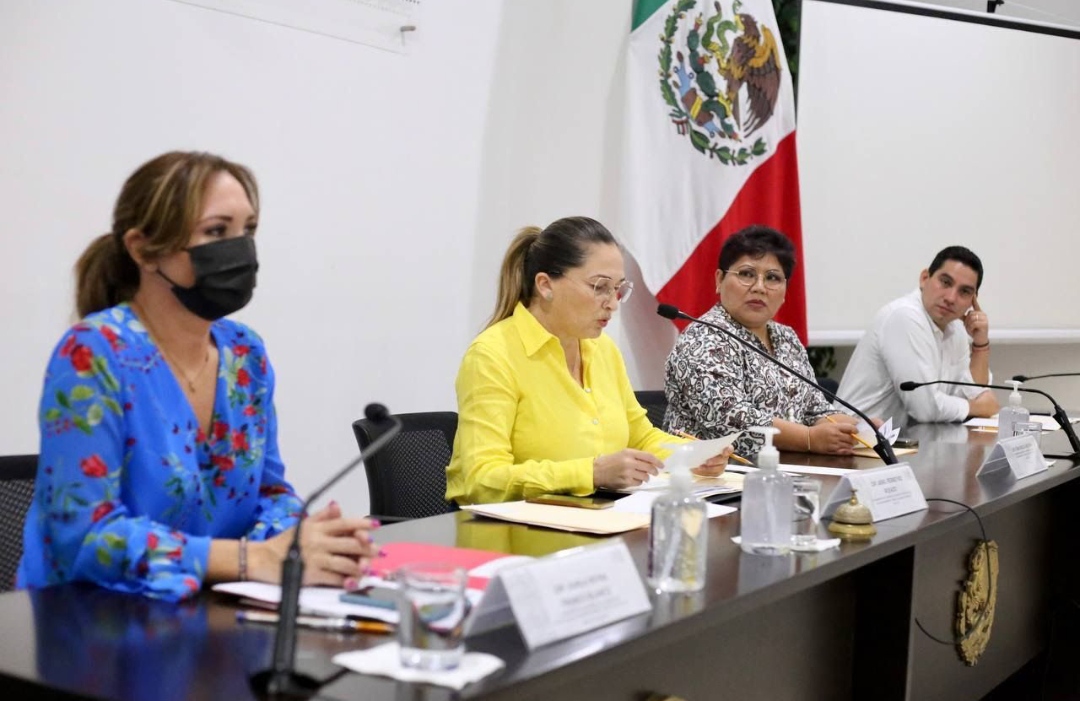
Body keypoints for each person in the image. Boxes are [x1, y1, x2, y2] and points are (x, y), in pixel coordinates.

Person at [18, 151, 377, 601]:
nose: (240, 249)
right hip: (85, 619)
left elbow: (270, 492)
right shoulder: (93, 353)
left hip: (209, 612)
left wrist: (307, 543)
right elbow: (83, 534)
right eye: (217, 231)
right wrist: (250, 558)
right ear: (143, 250)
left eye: (248, 230)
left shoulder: (245, 354)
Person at [445, 216, 729, 505]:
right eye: (600, 287)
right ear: (545, 285)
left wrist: (693, 457)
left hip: (598, 516)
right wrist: (590, 473)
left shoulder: (603, 349)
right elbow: (481, 479)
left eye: (618, 289)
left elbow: (640, 437)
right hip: (513, 527)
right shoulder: (492, 355)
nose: (613, 303)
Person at [664, 226, 860, 459]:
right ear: (719, 280)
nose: (759, 287)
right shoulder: (703, 337)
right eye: (746, 274)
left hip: (786, 467)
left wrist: (855, 429)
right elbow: (731, 419)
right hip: (712, 472)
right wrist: (808, 438)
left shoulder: (786, 337)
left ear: (785, 290)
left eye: (772, 278)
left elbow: (814, 408)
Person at [837, 245, 997, 426]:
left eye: (964, 292)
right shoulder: (904, 316)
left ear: (972, 300)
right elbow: (925, 408)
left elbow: (974, 394)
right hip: (857, 438)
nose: (951, 298)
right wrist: (977, 407)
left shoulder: (955, 328)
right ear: (924, 278)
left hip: (907, 438)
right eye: (945, 282)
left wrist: (980, 344)